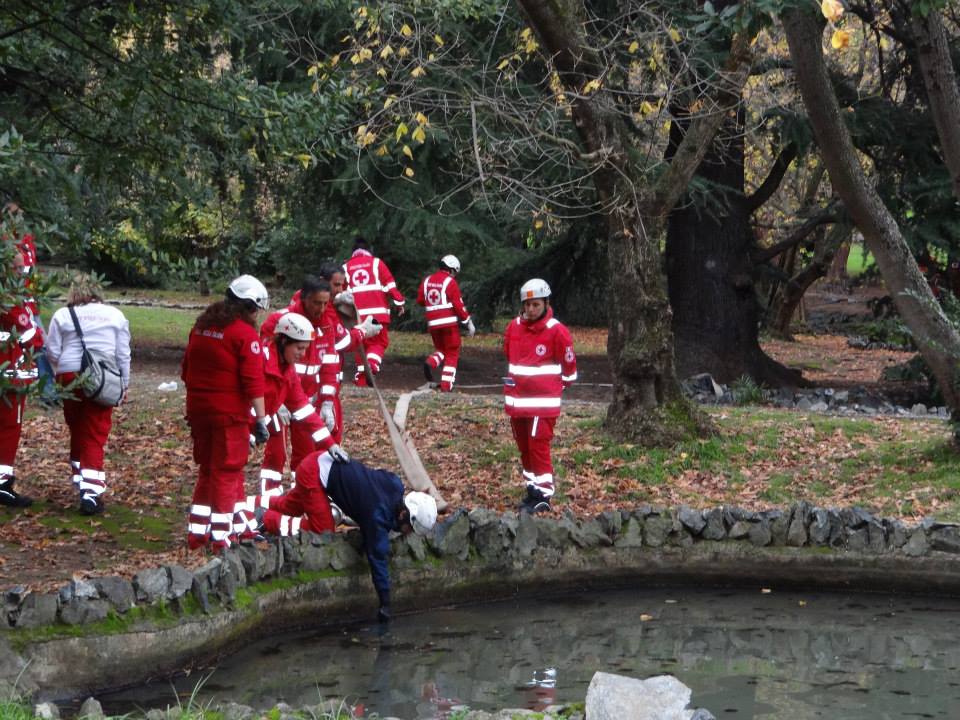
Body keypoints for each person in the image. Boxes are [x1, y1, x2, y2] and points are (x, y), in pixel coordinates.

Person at [250, 449, 437, 622]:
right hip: (314, 474)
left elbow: (373, 494)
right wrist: (385, 604)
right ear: (403, 515)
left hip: (319, 460)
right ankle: (267, 519)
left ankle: (251, 504)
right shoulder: (377, 518)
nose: (408, 533)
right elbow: (378, 559)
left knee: (291, 507)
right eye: (410, 528)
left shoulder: (395, 484)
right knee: (322, 529)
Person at [260, 277, 378, 492]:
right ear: (305, 299)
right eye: (317, 303)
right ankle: (267, 501)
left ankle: (299, 496)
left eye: (325, 303)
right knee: (275, 453)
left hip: (302, 398)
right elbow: (260, 371)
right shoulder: (281, 324)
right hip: (273, 401)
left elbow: (329, 363)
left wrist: (326, 404)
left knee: (305, 454)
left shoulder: (326, 323)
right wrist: (275, 405)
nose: (321, 308)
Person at [182, 275, 270, 551]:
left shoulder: (201, 327)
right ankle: (221, 536)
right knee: (227, 471)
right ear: (248, 307)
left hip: (198, 411)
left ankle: (197, 534)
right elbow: (254, 382)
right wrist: (261, 419)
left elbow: (186, 370)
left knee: (208, 470)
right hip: (228, 415)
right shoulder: (244, 335)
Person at [45, 275, 131, 515]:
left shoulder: (63, 315)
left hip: (69, 375)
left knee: (78, 428)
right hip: (101, 378)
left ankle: (79, 475)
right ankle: (91, 493)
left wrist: (60, 371)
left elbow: (52, 350)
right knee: (95, 432)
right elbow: (123, 353)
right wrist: (124, 383)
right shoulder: (115, 315)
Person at [503, 278, 577, 514]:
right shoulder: (513, 327)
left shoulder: (557, 331)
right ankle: (532, 489)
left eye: (536, 305)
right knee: (524, 447)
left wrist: (553, 387)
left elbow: (569, 367)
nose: (531, 310)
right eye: (527, 305)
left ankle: (544, 494)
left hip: (542, 405)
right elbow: (509, 355)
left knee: (538, 447)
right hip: (517, 402)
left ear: (545, 303)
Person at [257, 311, 349, 496]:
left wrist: (330, 445)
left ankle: (266, 508)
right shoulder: (261, 360)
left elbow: (304, 411)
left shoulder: (288, 371)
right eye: (299, 348)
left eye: (305, 348)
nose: (303, 354)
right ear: (284, 341)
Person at [0, 224, 42, 508]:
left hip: (12, 366)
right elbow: (26, 329)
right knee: (8, 426)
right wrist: (38, 337)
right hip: (10, 368)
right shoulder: (12, 298)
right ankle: (2, 482)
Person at [342, 237, 406, 385]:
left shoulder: (345, 267)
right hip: (377, 314)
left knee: (360, 345)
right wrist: (399, 302)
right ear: (368, 251)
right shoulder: (377, 263)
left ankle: (361, 379)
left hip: (356, 317)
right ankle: (371, 365)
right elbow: (390, 285)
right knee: (379, 342)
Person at [417, 254, 475, 392]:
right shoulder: (450, 282)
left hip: (433, 324)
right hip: (448, 324)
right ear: (452, 269)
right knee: (452, 352)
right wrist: (468, 323)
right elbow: (458, 305)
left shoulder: (427, 280)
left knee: (442, 350)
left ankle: (431, 361)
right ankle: (446, 386)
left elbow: (420, 300)